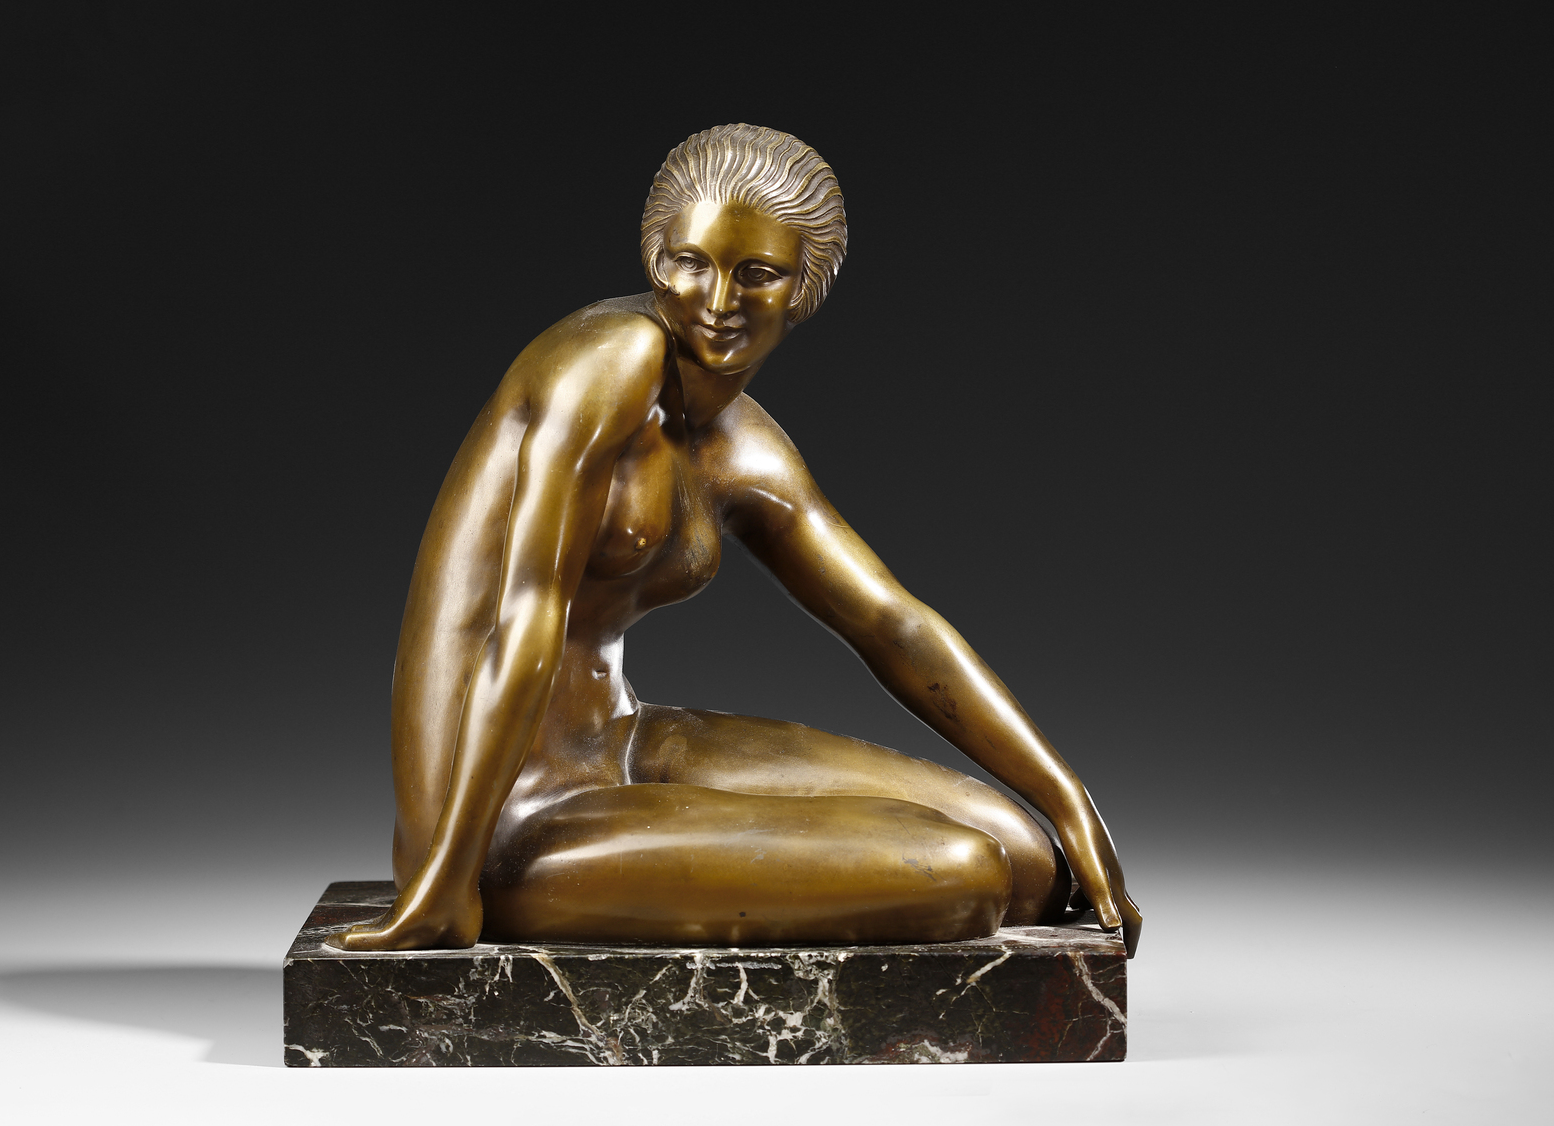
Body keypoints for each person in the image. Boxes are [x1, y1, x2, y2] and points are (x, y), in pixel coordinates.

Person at [329, 123, 1140, 955]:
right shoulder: (608, 362)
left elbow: (891, 622)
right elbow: (524, 614)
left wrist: (1068, 795)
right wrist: (446, 883)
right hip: (501, 811)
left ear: (805, 288)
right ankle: (459, 871)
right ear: (656, 260)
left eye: (757, 274)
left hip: (619, 743)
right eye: (691, 263)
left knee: (1031, 865)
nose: (718, 301)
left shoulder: (741, 443)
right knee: (968, 873)